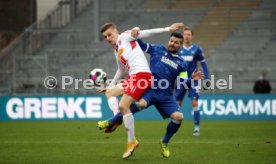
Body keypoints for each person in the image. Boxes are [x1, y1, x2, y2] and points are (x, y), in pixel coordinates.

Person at [98, 31, 204, 158]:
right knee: (140, 104)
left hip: (166, 95)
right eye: (171, 41)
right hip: (150, 89)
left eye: (176, 43)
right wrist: (136, 34)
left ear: (181, 46)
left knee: (179, 117)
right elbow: (141, 44)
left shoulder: (183, 64)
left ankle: (164, 142)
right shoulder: (158, 49)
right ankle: (113, 121)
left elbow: (182, 84)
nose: (173, 44)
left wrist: (192, 79)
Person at [174, 26, 209, 136]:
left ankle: (197, 128)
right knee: (177, 104)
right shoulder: (178, 49)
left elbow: (204, 64)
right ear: (182, 36)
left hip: (194, 79)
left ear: (192, 37)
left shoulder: (197, 49)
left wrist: (207, 79)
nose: (187, 36)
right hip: (182, 80)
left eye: (189, 34)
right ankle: (174, 128)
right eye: (185, 35)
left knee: (194, 102)